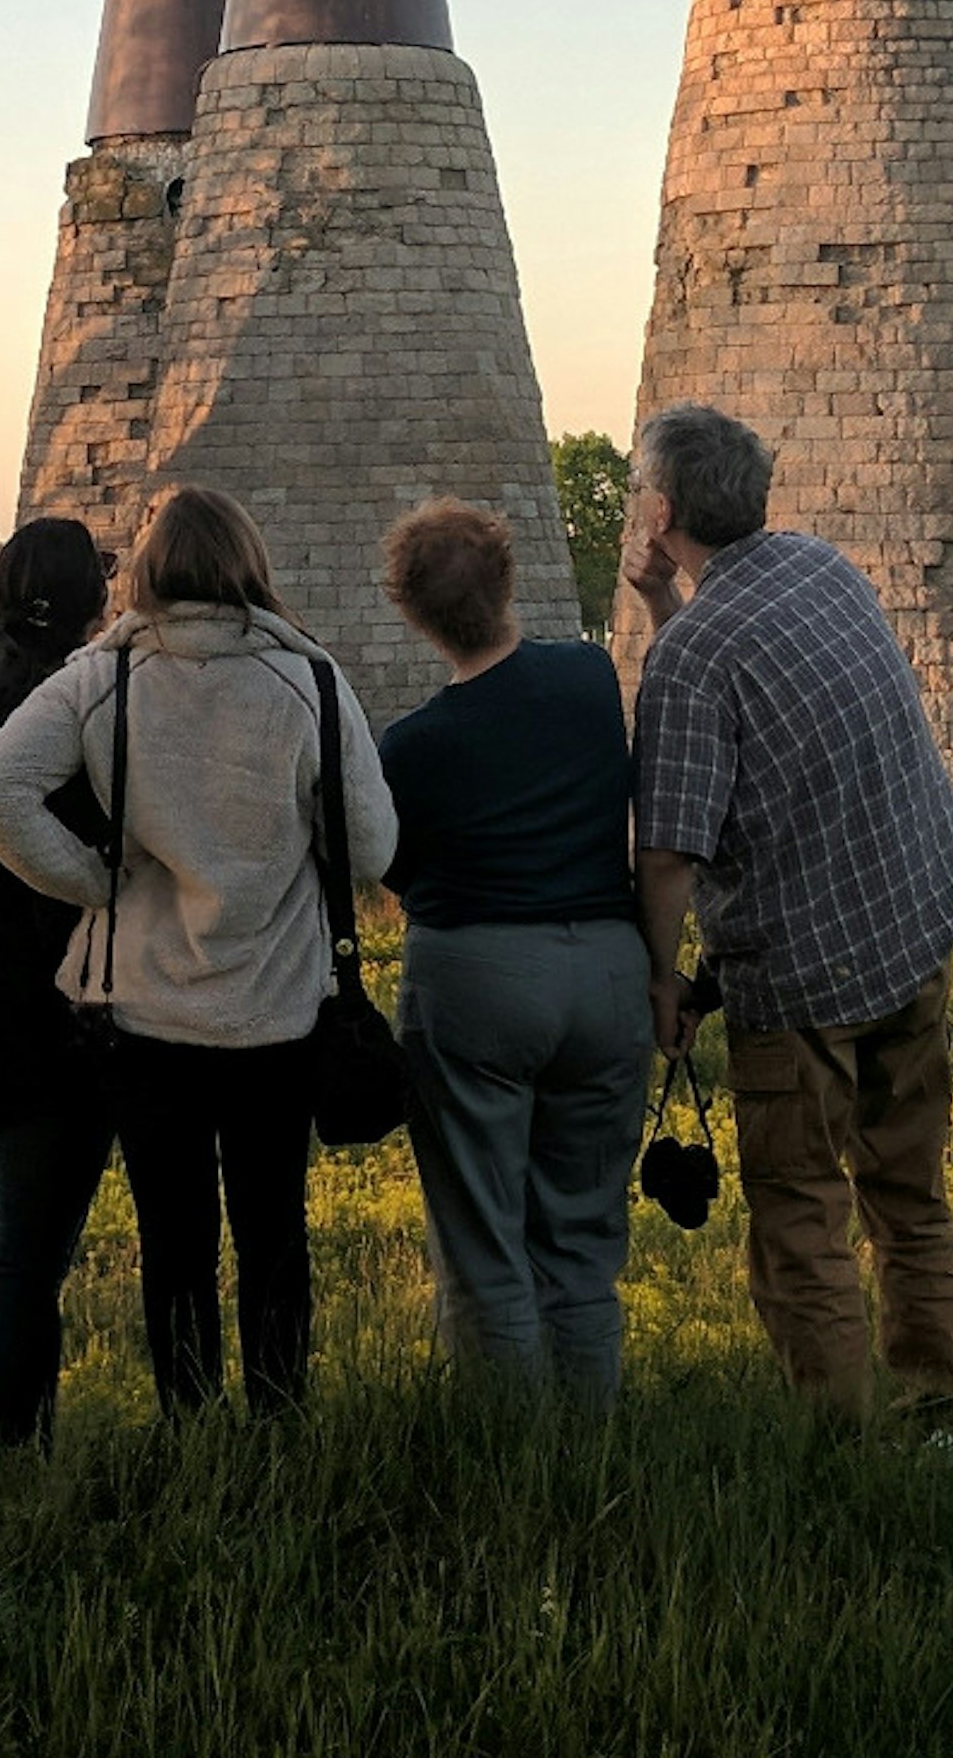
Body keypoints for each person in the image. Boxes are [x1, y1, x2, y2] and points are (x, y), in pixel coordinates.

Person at [0, 486, 396, 1419]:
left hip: (146, 1011)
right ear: (249, 566)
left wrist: (89, 879)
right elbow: (374, 844)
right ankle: (279, 1417)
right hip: (276, 1008)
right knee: (274, 1231)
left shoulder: (102, 677)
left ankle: (189, 1421)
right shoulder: (309, 681)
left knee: (175, 1238)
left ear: (151, 569)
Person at [625, 404, 953, 1441]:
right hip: (910, 922)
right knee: (908, 1191)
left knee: (798, 1214)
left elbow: (670, 849)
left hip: (802, 975)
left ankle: (837, 1446)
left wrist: (661, 979)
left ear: (660, 508)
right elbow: (731, 698)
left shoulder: (694, 655)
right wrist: (664, 604)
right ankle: (937, 1415)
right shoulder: (822, 569)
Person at [374, 499, 648, 1404]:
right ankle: (591, 1438)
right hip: (608, 971)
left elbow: (399, 874)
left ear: (411, 613)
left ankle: (509, 1458)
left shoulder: (411, 747)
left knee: (483, 1235)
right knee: (580, 1238)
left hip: (478, 980)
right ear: (507, 581)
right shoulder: (582, 678)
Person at [0, 515, 116, 1448]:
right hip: (58, 1002)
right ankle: (7, 1445)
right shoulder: (57, 706)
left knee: (24, 1247)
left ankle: (13, 1437)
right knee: (28, 1257)